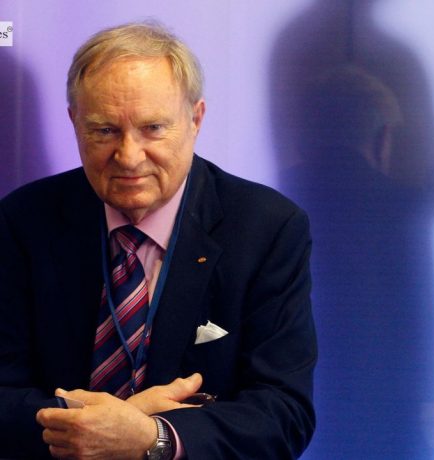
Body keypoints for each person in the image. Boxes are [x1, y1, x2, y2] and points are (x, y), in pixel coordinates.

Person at [0, 22, 316, 459]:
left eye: (152, 128)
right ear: (74, 122)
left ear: (195, 119)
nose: (129, 157)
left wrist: (153, 437)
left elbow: (283, 413)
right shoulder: (22, 221)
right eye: (104, 130)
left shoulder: (267, 228)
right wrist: (97, 427)